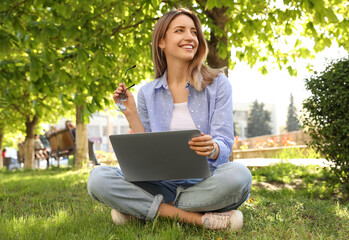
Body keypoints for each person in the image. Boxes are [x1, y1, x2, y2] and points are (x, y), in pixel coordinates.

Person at [87, 8, 252, 231]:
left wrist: (212, 147)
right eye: (180, 30)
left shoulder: (218, 84)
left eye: (194, 32)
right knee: (98, 178)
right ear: (162, 42)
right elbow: (147, 156)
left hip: (207, 182)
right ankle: (196, 218)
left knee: (239, 176)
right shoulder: (147, 93)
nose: (190, 37)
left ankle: (145, 210)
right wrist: (131, 114)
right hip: (160, 184)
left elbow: (223, 142)